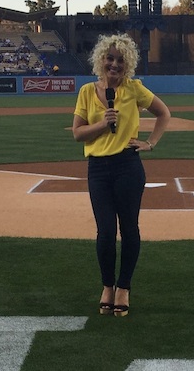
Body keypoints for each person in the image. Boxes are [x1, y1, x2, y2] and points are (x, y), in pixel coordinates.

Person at [72, 33, 171, 317]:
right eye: (109, 58)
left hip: (128, 167)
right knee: (105, 231)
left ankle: (124, 287)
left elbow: (164, 113)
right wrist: (103, 125)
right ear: (100, 60)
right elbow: (78, 133)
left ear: (127, 65)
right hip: (98, 170)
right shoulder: (86, 92)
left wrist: (150, 143)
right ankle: (107, 286)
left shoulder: (134, 89)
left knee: (129, 229)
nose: (114, 65)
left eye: (120, 60)